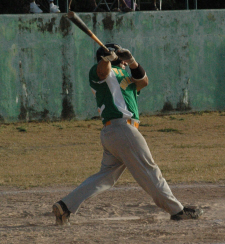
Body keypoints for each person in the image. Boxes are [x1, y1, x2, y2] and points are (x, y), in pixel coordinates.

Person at [52, 43, 203, 225]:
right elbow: (102, 72)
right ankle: (177, 211)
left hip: (116, 134)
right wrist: (107, 58)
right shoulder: (100, 72)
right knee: (149, 170)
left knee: (105, 177)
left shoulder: (127, 77)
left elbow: (143, 81)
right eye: (120, 58)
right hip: (121, 129)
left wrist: (131, 61)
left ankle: (65, 206)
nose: (122, 61)